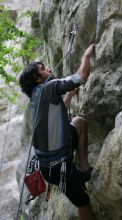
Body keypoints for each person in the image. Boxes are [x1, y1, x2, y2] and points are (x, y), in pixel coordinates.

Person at [19, 44, 95, 220]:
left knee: (79, 122)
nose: (49, 68)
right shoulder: (49, 87)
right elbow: (82, 76)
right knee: (83, 202)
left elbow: (56, 118)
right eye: (43, 68)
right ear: (38, 79)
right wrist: (86, 54)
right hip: (59, 167)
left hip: (48, 166)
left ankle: (84, 171)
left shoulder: (35, 98)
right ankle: (81, 174)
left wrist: (68, 96)